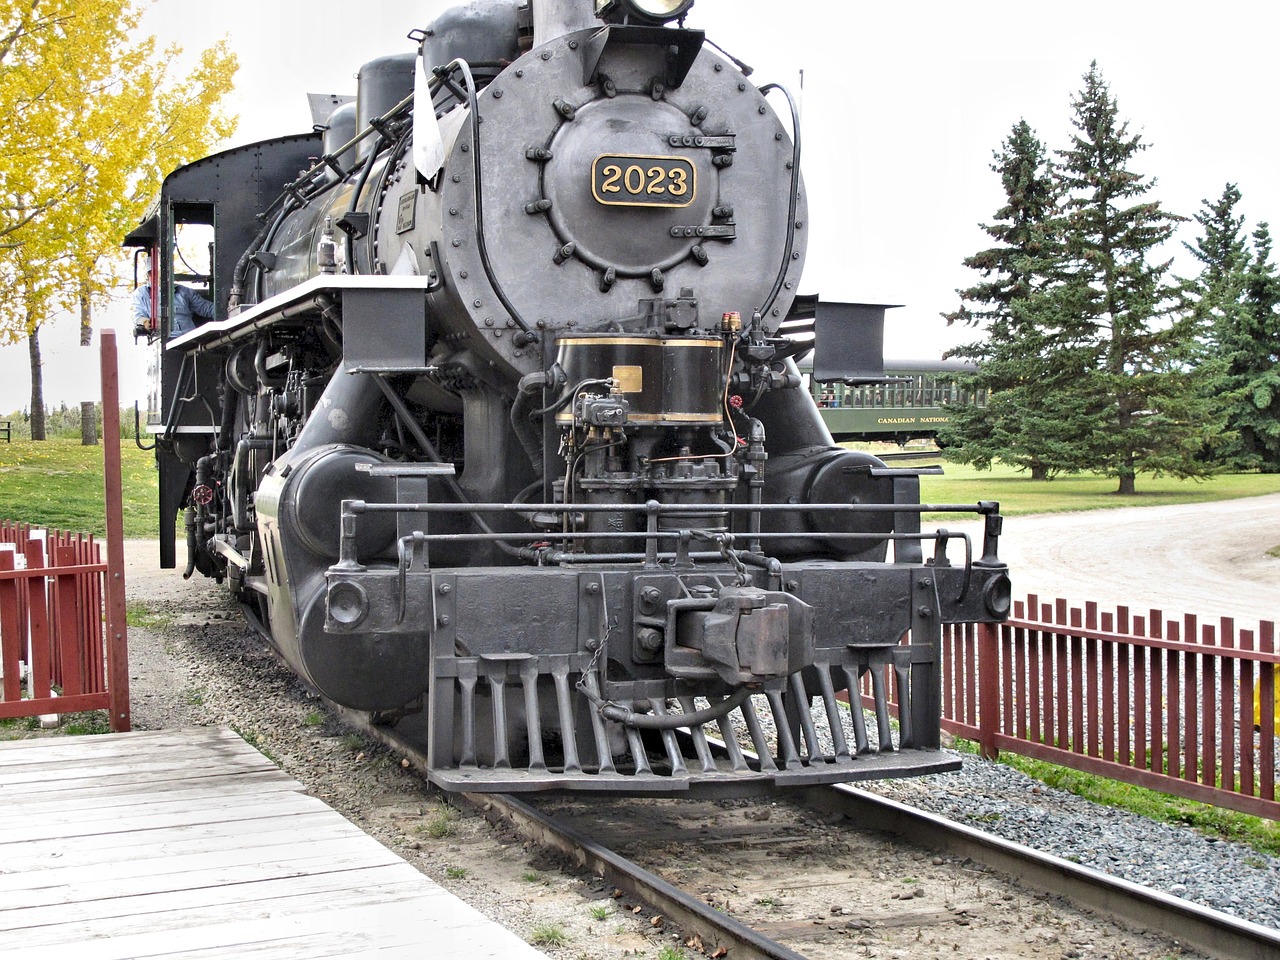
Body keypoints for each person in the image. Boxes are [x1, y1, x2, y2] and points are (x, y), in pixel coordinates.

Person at [132, 280, 215, 337]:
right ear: (148, 275)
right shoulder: (142, 293)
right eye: (152, 272)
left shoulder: (184, 291)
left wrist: (226, 311)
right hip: (165, 341)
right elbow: (138, 317)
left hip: (192, 338)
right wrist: (145, 322)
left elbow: (206, 308)